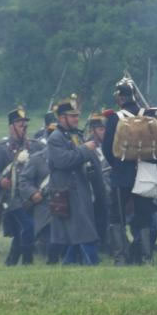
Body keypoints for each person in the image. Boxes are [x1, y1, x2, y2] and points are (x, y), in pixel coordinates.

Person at [102, 78, 156, 264]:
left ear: (120, 97)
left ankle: (121, 258)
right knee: (144, 216)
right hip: (145, 173)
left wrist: (118, 165)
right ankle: (146, 258)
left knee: (117, 217)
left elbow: (107, 149)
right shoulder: (148, 115)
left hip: (122, 174)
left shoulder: (114, 119)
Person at [47, 99, 101, 265]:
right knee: (83, 231)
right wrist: (85, 149)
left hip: (80, 188)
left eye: (77, 116)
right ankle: (92, 263)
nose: (76, 119)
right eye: (72, 116)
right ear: (61, 118)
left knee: (78, 231)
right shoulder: (55, 138)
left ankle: (69, 263)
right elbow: (63, 161)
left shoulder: (75, 135)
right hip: (67, 191)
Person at [0, 107, 43, 265]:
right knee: (28, 226)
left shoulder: (35, 146)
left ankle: (11, 262)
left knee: (20, 233)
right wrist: (0, 181)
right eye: (20, 124)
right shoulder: (2, 148)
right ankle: (28, 261)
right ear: (11, 127)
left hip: (31, 195)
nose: (24, 127)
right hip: (12, 197)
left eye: (25, 124)